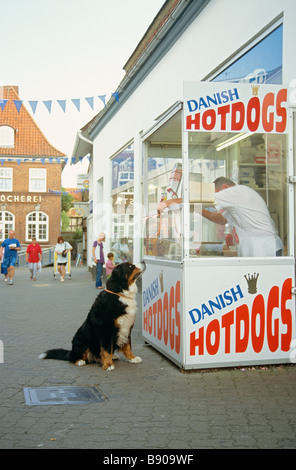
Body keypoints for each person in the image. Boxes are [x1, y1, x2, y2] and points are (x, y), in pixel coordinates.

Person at [202, 177, 283, 257]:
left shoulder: (234, 192)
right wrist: (198, 209)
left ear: (225, 187)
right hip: (258, 247)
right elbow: (222, 220)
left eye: (218, 193)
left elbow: (204, 198)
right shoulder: (236, 199)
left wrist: (191, 193)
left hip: (264, 249)